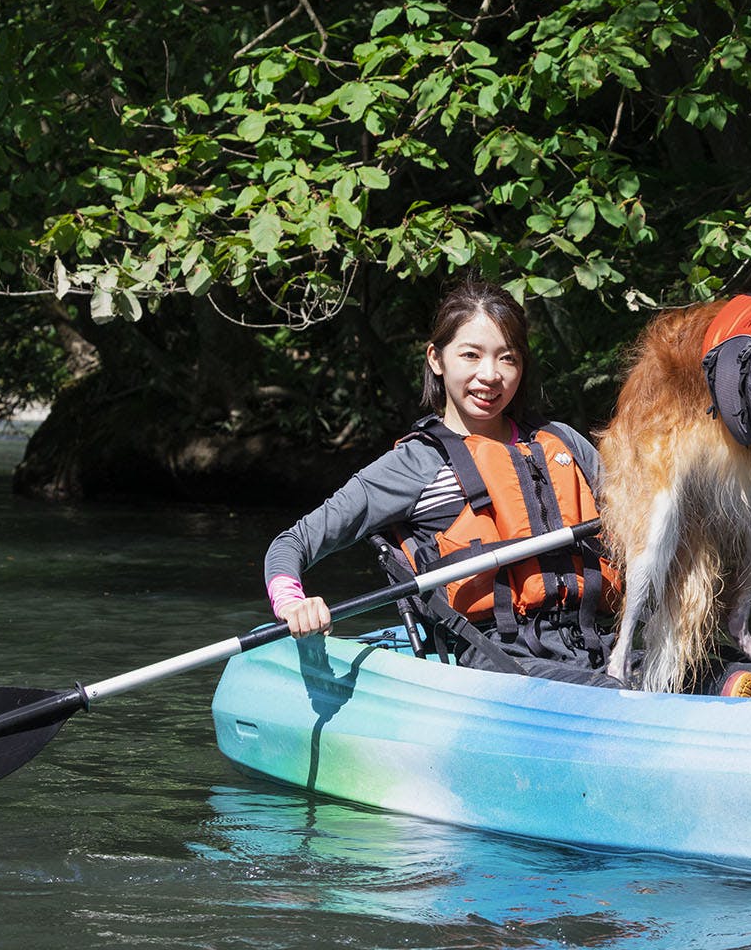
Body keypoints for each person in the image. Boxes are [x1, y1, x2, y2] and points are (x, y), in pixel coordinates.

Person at [263, 279, 621, 685]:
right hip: (495, 658)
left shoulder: (562, 441)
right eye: (471, 355)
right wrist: (293, 604)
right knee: (610, 692)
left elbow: (638, 524)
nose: (490, 375)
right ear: (436, 358)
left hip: (597, 642)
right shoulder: (414, 464)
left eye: (508, 359)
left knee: (707, 673)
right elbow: (292, 543)